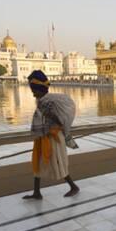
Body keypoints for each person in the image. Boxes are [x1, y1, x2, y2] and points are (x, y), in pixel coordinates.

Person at [22, 70, 80, 200]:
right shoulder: (44, 100)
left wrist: (49, 119)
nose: (33, 94)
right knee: (38, 162)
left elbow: (58, 120)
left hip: (53, 138)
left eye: (34, 91)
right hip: (44, 137)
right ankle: (37, 192)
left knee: (58, 163)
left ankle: (73, 187)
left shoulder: (46, 102)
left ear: (40, 89)